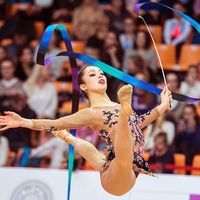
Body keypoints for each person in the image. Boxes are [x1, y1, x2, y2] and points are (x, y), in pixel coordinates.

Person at [0, 66, 172, 196]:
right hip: (119, 175)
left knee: (94, 146)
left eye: (101, 73)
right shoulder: (91, 113)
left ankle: (68, 138)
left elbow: (138, 124)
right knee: (123, 145)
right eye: (92, 74)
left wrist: (162, 106)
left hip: (114, 168)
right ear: (83, 86)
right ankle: (119, 119)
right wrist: (23, 122)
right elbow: (55, 123)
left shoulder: (118, 106)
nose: (100, 75)